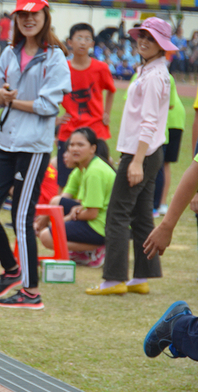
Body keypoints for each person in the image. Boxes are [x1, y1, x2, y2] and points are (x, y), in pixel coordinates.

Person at [0, 0, 70, 309]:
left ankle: (31, 292)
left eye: (35, 14)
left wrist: (11, 101)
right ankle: (12, 269)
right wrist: (0, 95)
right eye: (23, 15)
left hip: (33, 148)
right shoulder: (9, 53)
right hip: (6, 142)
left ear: (46, 17)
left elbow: (47, 106)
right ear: (16, 19)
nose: (29, 20)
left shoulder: (54, 58)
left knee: (21, 217)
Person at [85, 17, 176, 296]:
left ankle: (114, 279)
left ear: (162, 45)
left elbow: (149, 122)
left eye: (151, 37)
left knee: (117, 214)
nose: (144, 41)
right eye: (142, 35)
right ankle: (142, 276)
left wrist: (135, 160)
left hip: (142, 153)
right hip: (148, 152)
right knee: (140, 215)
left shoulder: (154, 75)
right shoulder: (150, 70)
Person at [36, 127, 115, 268]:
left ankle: (96, 249)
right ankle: (84, 251)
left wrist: (59, 222)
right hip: (97, 220)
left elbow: (92, 213)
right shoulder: (86, 168)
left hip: (102, 226)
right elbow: (71, 202)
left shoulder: (94, 172)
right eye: (71, 145)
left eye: (80, 145)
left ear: (92, 148)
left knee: (47, 237)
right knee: (55, 204)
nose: (73, 150)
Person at [56, 23, 115, 191]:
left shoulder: (101, 67)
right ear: (69, 41)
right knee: (64, 179)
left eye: (87, 39)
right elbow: (51, 93)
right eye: (79, 38)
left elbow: (111, 90)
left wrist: (107, 113)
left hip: (96, 127)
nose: (83, 42)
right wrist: (56, 118)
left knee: (99, 171)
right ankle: (63, 212)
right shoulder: (63, 68)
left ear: (92, 44)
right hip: (69, 129)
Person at [153, 75, 185, 217]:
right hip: (171, 119)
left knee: (163, 164)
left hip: (171, 121)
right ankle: (160, 204)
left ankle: (161, 204)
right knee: (162, 165)